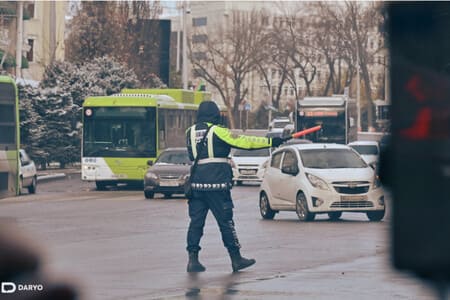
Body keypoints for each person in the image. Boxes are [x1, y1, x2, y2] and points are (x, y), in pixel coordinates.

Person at [185, 101, 290, 273]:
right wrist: (271, 142)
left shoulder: (189, 132)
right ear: (215, 114)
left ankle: (192, 260)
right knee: (226, 221)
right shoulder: (218, 131)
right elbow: (245, 142)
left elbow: (191, 155)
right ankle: (236, 258)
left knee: (196, 223)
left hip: (196, 186)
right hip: (217, 185)